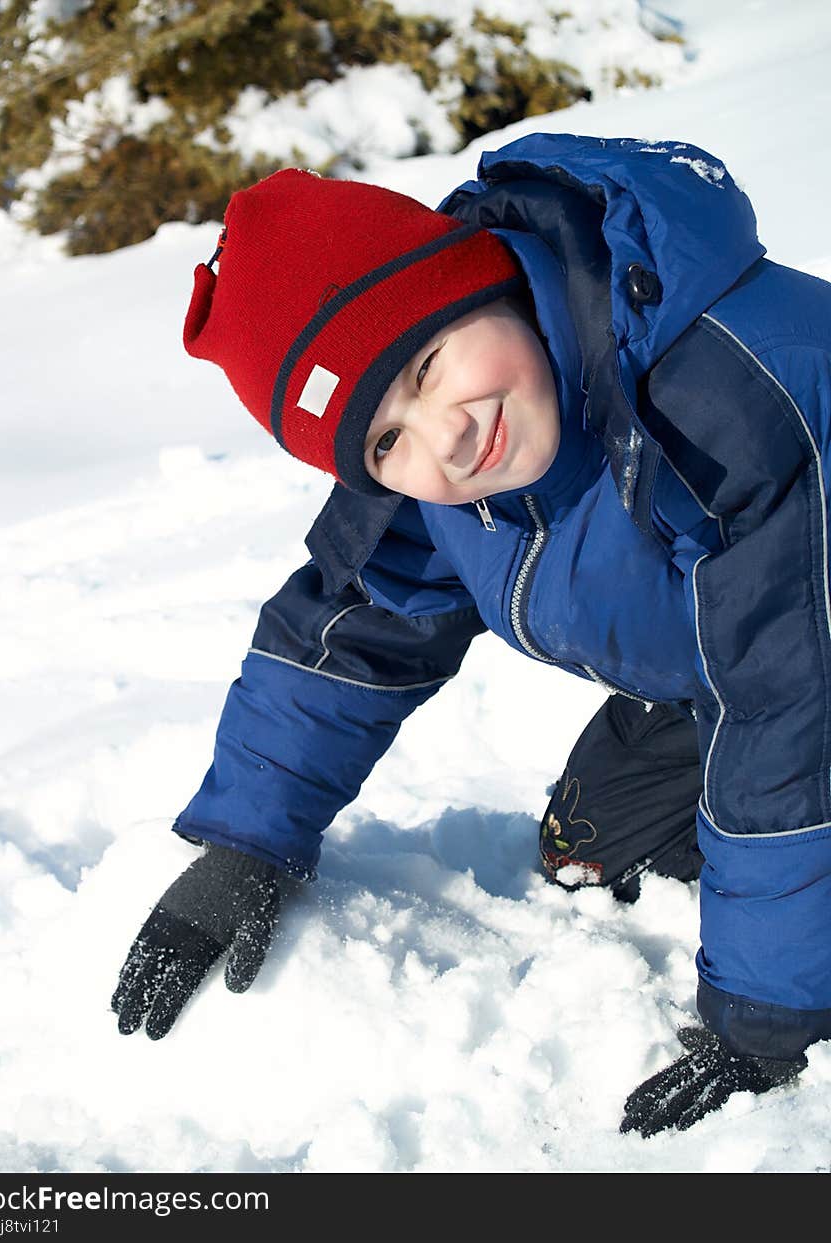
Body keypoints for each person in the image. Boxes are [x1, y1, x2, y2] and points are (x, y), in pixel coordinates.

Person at [110, 133, 831, 1138]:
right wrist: (246, 841)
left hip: (805, 666)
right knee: (594, 856)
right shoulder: (468, 455)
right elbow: (353, 628)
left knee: (786, 909)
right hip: (736, 683)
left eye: (429, 362)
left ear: (479, 280)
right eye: (383, 437)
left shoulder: (714, 394)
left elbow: (791, 707)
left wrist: (761, 1020)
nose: (442, 435)